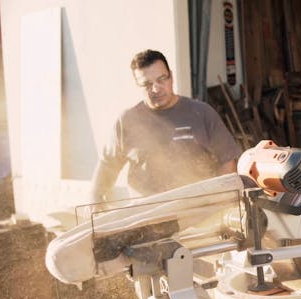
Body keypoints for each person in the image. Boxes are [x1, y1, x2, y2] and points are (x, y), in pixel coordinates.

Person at [91, 49, 242, 203]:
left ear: (171, 77)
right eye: (147, 84)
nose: (156, 89)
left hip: (198, 216)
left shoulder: (202, 113)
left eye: (161, 79)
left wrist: (222, 202)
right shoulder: (127, 121)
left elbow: (227, 162)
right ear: (138, 85)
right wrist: (96, 199)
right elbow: (108, 164)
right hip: (146, 217)